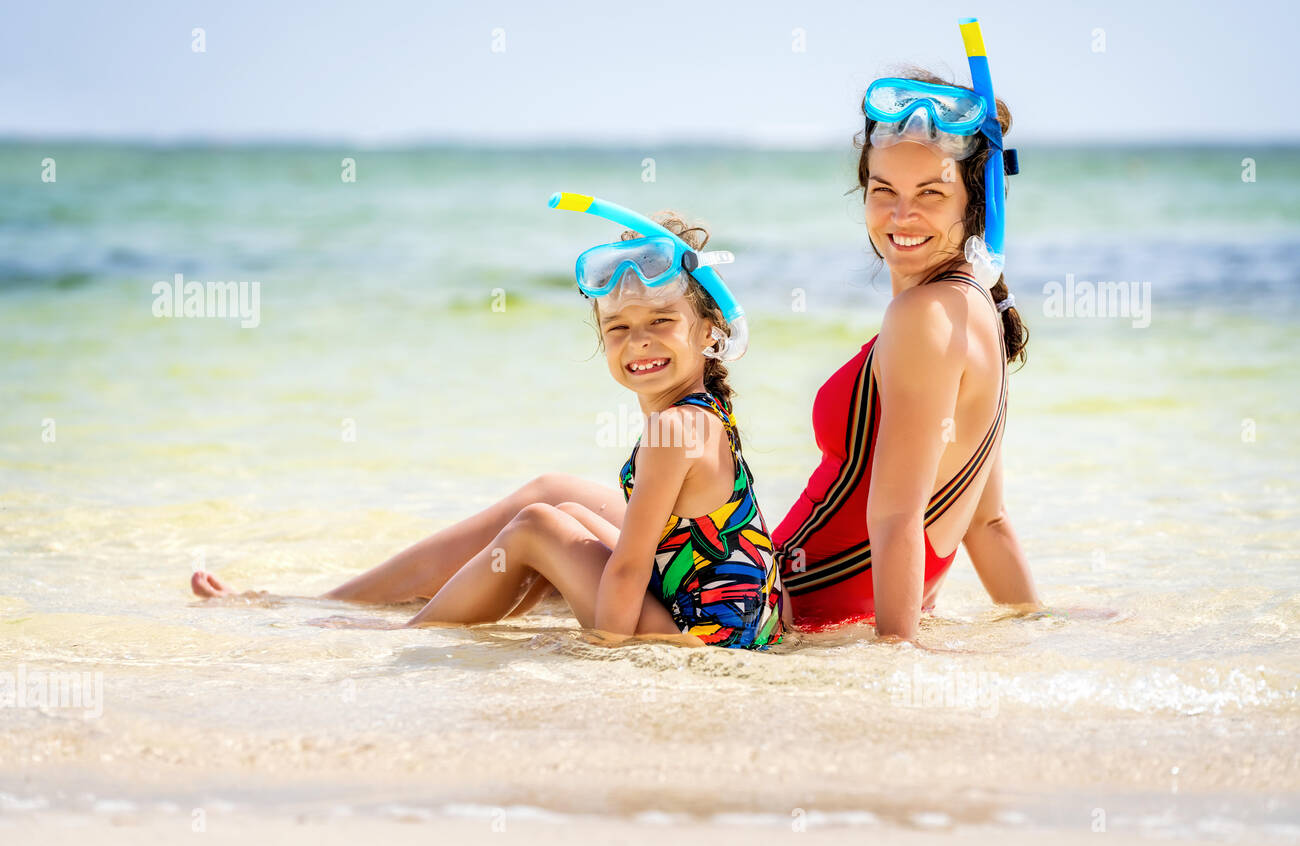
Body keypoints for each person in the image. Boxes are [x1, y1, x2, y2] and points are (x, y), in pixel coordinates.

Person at [194, 195, 784, 649]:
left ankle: (409, 635)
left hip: (709, 643)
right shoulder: (700, 410)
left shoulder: (670, 429)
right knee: (566, 511)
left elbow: (630, 568)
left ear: (711, 333)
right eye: (619, 329)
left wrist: (606, 656)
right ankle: (370, 607)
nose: (640, 343)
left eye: (661, 321)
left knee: (536, 528)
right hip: (748, 621)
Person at [773, 18, 1040, 642]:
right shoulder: (978, 308)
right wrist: (1037, 623)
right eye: (882, 190)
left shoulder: (923, 316)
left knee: (546, 522)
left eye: (930, 193)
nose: (900, 215)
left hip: (787, 597)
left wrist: (896, 659)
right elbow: (986, 522)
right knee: (557, 501)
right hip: (804, 581)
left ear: (974, 201)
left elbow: (896, 517)